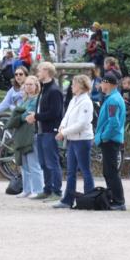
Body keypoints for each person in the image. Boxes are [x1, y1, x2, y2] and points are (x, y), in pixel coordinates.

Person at [53, 75, 96, 209]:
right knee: (71, 171)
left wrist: (64, 132)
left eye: (74, 84)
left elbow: (82, 124)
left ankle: (90, 198)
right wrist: (62, 126)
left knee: (85, 170)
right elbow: (67, 115)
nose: (72, 86)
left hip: (82, 139)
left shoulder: (86, 102)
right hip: (72, 139)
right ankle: (68, 199)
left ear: (82, 86)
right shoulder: (74, 100)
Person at [26, 61, 64, 200]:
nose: (37, 73)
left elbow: (55, 113)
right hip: (41, 131)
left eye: (40, 70)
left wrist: (36, 116)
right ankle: (47, 189)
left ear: (47, 71)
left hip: (50, 130)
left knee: (52, 162)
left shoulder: (54, 90)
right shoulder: (43, 88)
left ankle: (57, 191)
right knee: (43, 162)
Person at [94, 70, 127, 210]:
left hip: (110, 140)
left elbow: (113, 123)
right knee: (108, 171)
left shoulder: (113, 100)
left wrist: (103, 137)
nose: (100, 85)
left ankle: (119, 201)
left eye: (102, 82)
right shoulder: (112, 98)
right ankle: (114, 198)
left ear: (107, 83)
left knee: (111, 172)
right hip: (110, 139)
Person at [10, 75, 44, 198]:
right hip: (21, 135)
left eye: (31, 84)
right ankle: (27, 189)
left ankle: (38, 189)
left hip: (31, 134)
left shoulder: (37, 100)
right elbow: (22, 115)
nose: (28, 87)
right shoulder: (24, 100)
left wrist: (19, 117)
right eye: (26, 84)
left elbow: (27, 116)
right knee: (24, 164)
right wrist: (21, 116)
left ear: (36, 86)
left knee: (33, 163)